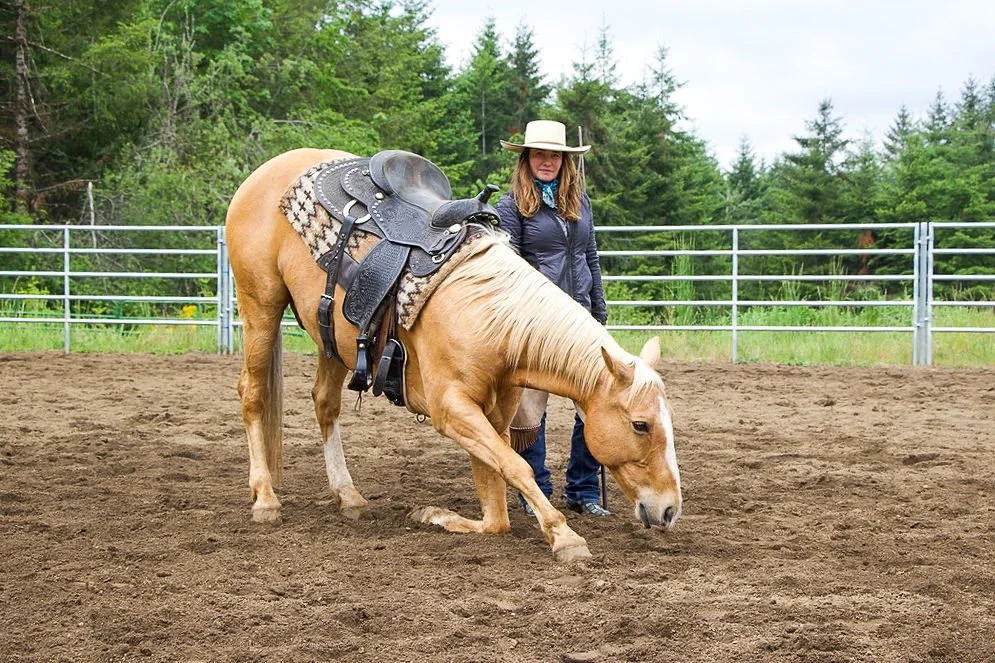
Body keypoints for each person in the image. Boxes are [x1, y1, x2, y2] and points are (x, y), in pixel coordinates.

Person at [495, 119, 610, 517]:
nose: (547, 161)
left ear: (565, 160)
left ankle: (583, 490)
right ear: (526, 159)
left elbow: (589, 256)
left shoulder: (580, 202)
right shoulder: (510, 207)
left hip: (580, 319)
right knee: (530, 408)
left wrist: (599, 306)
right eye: (539, 154)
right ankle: (535, 488)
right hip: (537, 322)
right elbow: (506, 266)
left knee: (592, 402)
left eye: (555, 155)